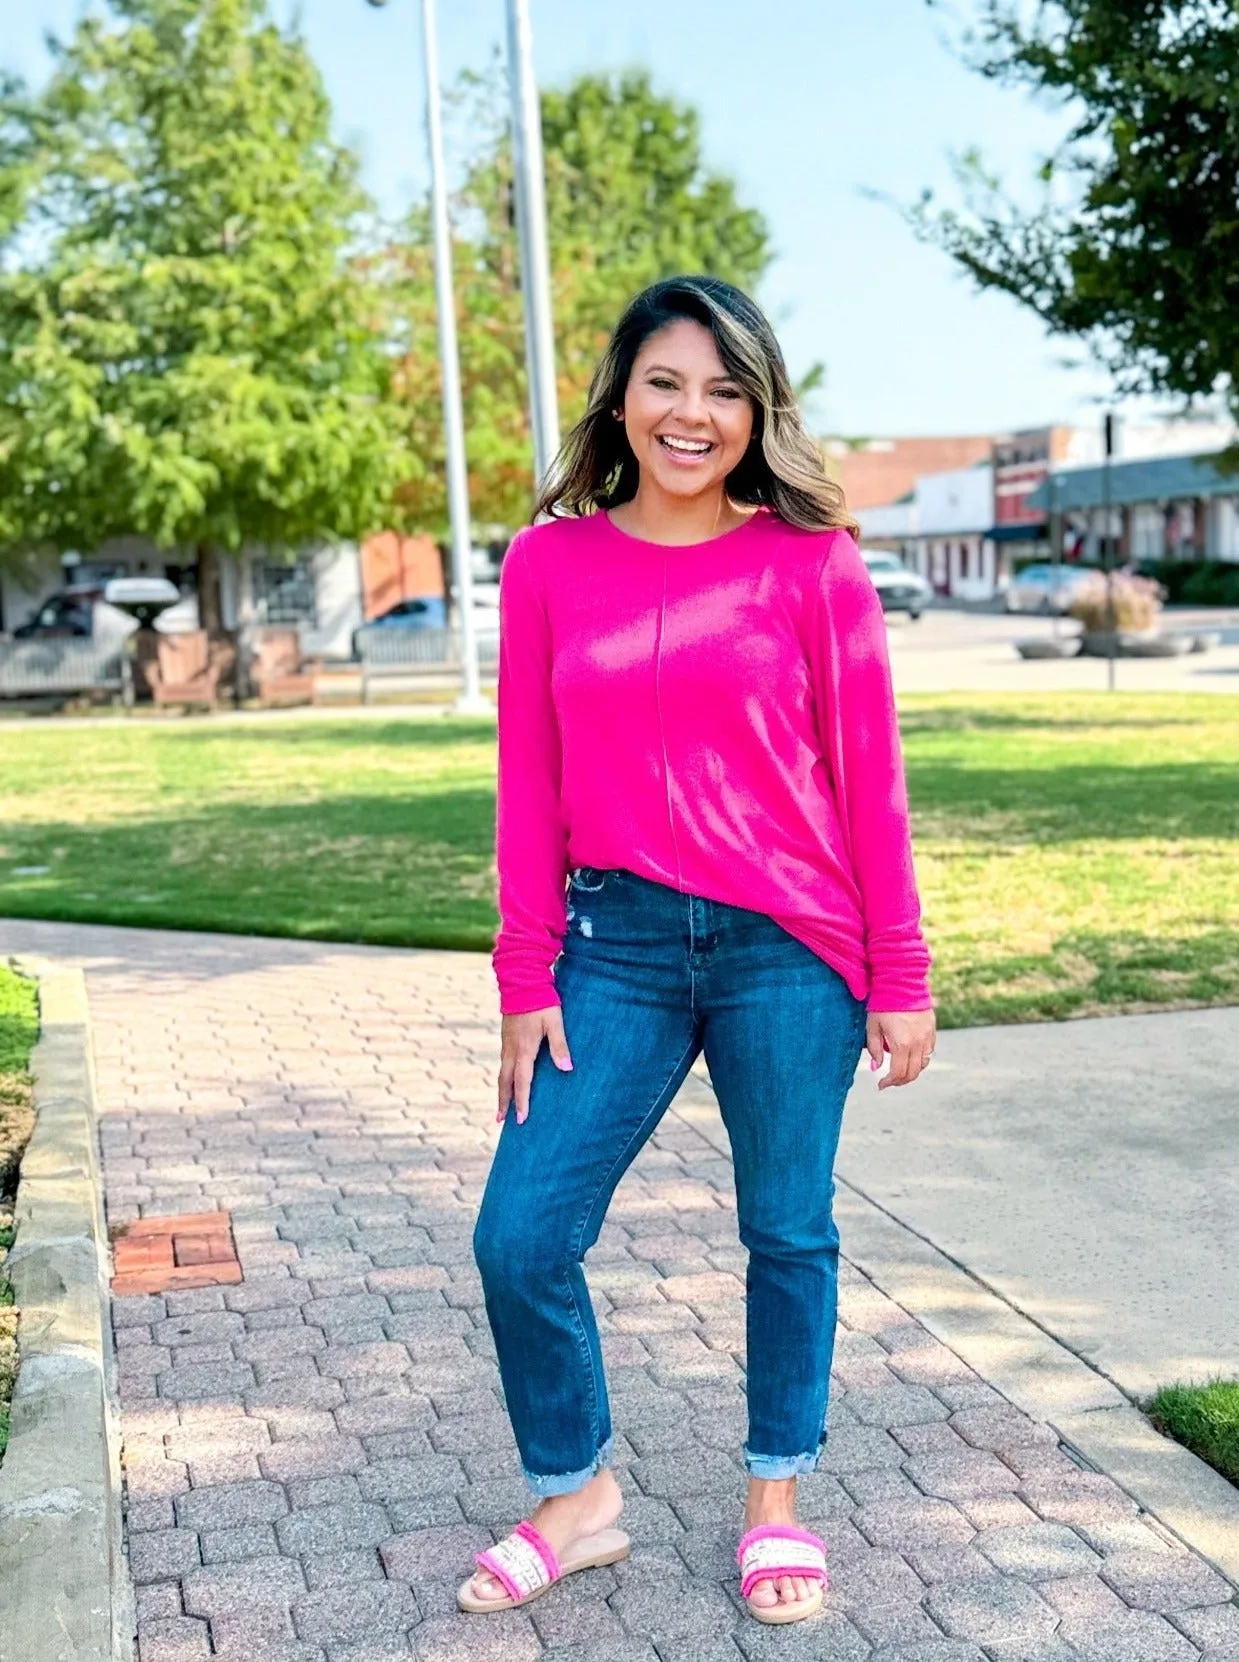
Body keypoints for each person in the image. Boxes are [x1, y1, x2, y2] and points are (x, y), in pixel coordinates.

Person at [458, 275, 935, 1625]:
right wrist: (523, 973)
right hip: (610, 945)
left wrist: (898, 975)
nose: (694, 413)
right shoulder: (550, 560)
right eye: (668, 381)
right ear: (621, 391)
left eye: (726, 390)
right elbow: (526, 781)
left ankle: (774, 1495)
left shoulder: (811, 558)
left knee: (786, 1227)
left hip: (788, 947)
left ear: (757, 410)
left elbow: (868, 780)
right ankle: (576, 1494)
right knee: (521, 1229)